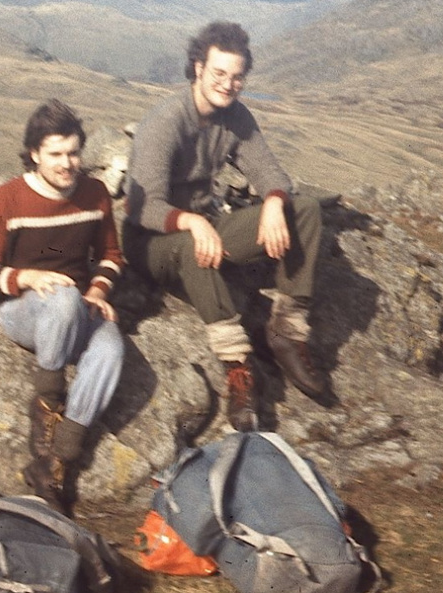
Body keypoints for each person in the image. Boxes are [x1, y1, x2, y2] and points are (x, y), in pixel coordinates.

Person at [123, 21, 328, 433]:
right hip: (152, 242)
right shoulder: (166, 121)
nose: (228, 84)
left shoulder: (235, 116)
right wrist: (191, 222)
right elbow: (140, 208)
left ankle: (287, 331)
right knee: (193, 248)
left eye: (237, 77)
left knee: (303, 210)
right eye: (219, 73)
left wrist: (273, 200)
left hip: (205, 224)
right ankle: (238, 367)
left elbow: (270, 171)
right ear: (198, 68)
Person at [0, 99, 125, 514]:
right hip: (23, 311)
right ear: (35, 154)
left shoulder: (94, 195)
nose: (67, 163)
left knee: (111, 349)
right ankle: (48, 403)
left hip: (75, 306)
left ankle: (54, 464)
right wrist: (28, 278)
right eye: (55, 154)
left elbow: (111, 254)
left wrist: (97, 291)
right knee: (63, 297)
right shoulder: (8, 198)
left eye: (74, 152)